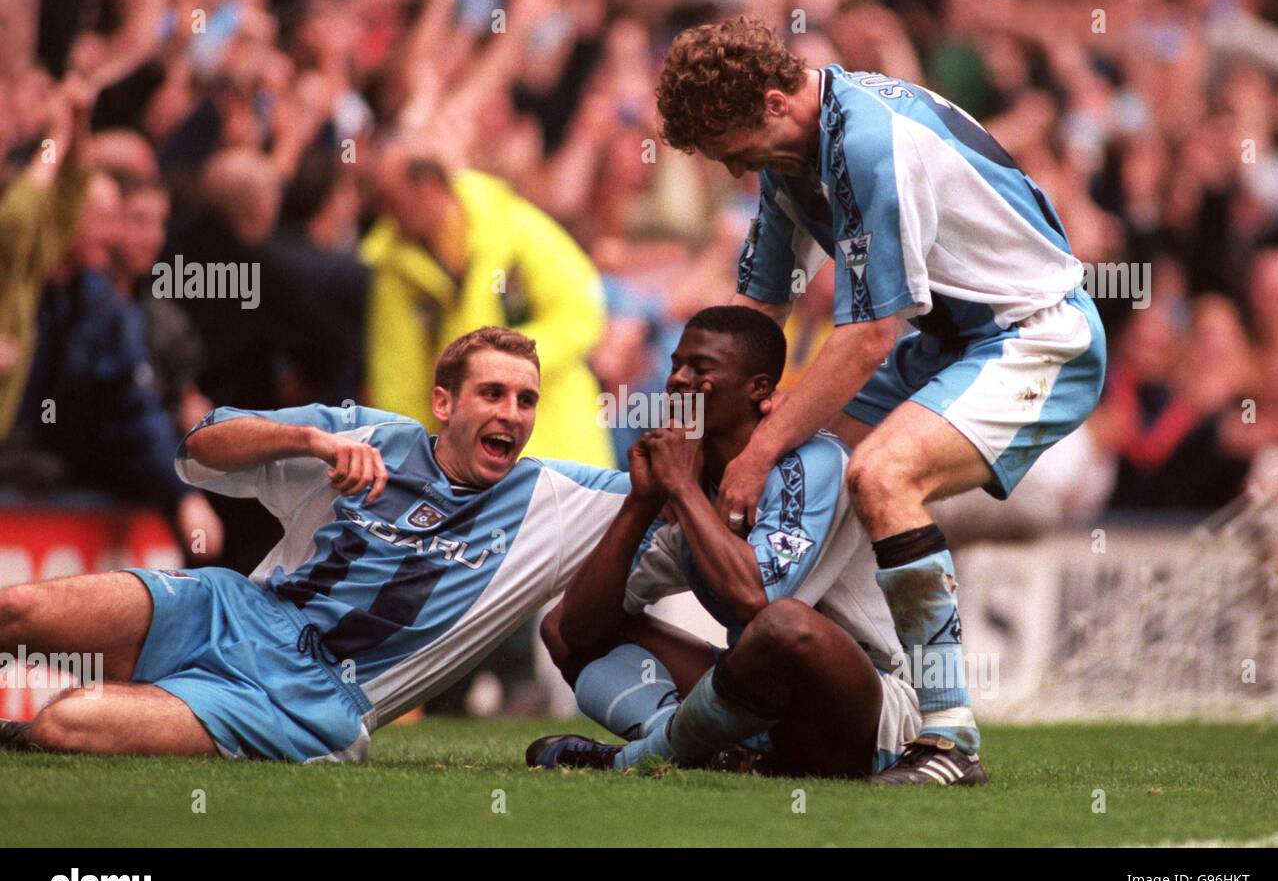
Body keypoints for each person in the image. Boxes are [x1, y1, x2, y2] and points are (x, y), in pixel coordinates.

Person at [654, 17, 1106, 784]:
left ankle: (949, 738)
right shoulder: (793, 152)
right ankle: (832, 689)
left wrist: (756, 453)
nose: (734, 172)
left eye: (732, 150)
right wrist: (703, 434)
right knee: (815, 460)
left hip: (1035, 337)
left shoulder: (868, 143)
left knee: (882, 476)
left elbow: (865, 338)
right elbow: (755, 319)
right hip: (950, 344)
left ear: (771, 101)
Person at [0, 327, 631, 761]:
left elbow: (664, 491)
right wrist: (311, 441)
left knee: (66, 723)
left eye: (526, 400)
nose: (512, 413)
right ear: (444, 402)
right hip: (235, 609)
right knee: (17, 610)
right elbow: (199, 445)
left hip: (308, 697)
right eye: (492, 394)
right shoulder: (372, 436)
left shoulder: (551, 498)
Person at [527, 306, 935, 781]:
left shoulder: (814, 462)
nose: (678, 380)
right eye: (676, 364)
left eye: (701, 369)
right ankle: (692, 743)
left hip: (869, 710)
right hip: (758, 699)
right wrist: (641, 503)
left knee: (783, 626)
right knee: (561, 629)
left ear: (758, 388)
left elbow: (755, 600)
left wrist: (680, 488)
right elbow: (574, 629)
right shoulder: (689, 478)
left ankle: (646, 756)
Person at [363, 146, 614, 468]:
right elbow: (396, 377)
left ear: (428, 187)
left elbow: (580, 313)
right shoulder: (393, 265)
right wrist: (413, 463)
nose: (384, 213)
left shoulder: (514, 226)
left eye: (391, 199)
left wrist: (502, 366)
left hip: (560, 443)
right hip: (468, 460)